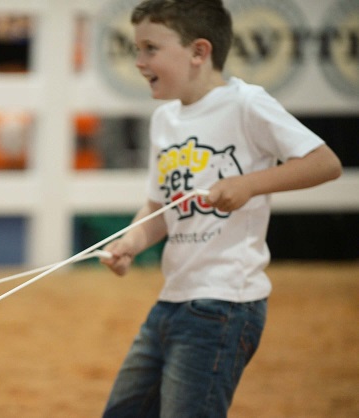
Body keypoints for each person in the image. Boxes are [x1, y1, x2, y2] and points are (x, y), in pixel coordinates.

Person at [97, 1, 343, 417]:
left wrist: (249, 184)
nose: (139, 62)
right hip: (173, 299)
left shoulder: (247, 103)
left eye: (150, 48)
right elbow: (160, 207)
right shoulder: (165, 120)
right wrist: (132, 242)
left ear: (199, 52)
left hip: (225, 303)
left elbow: (324, 163)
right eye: (137, 49)